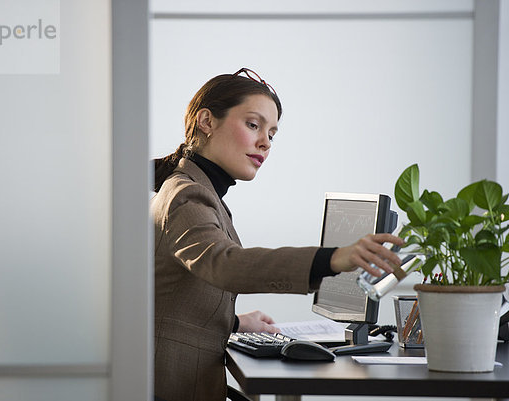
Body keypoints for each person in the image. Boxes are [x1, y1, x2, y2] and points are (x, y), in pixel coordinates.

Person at [151, 68, 403, 401]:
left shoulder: (198, 192)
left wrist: (237, 323)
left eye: (272, 133)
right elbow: (224, 264)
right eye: (253, 125)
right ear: (206, 121)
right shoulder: (186, 195)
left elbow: (173, 303)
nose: (265, 142)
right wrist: (333, 258)